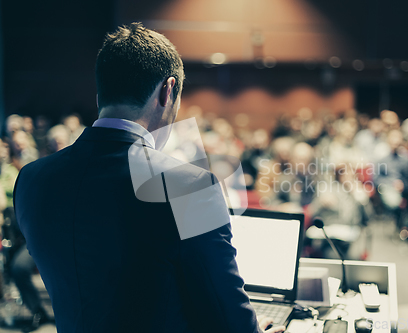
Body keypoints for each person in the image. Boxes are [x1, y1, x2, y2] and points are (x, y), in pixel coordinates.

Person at [14, 23, 283, 333]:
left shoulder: (32, 180)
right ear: (168, 91)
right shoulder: (189, 185)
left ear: (101, 92)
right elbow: (227, 320)